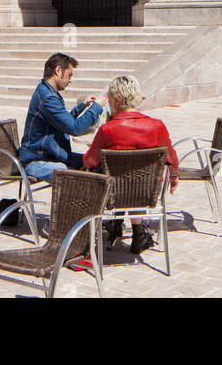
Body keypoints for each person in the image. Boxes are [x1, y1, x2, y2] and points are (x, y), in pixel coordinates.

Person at [82, 74, 178, 255]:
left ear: (116, 100)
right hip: (148, 192)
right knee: (134, 178)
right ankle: (133, 230)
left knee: (113, 176)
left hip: (114, 195)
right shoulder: (157, 126)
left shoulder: (107, 129)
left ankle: (115, 224)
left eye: (110, 99)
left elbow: (89, 161)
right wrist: (173, 177)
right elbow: (171, 157)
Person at [19, 52, 105, 182]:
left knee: (94, 162)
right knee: (80, 176)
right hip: (37, 161)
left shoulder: (47, 92)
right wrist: (97, 106)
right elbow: (75, 128)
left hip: (49, 155)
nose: (70, 80)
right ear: (58, 70)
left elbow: (63, 123)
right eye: (69, 75)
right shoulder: (48, 97)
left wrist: (81, 106)